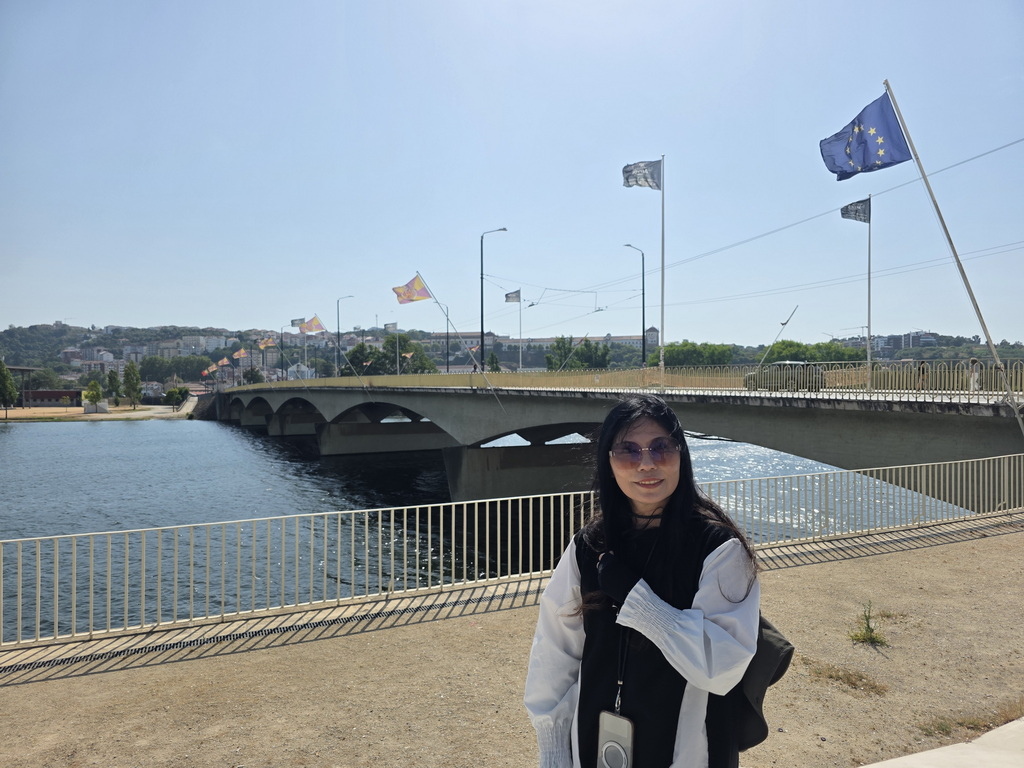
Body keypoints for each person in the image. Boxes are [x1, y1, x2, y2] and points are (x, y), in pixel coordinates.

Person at [524, 394, 760, 768]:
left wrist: (640, 604)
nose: (647, 463)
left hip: (689, 747)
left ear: (682, 454)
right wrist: (553, 751)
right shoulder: (589, 544)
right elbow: (556, 650)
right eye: (628, 451)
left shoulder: (719, 549)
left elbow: (722, 667)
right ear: (608, 462)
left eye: (661, 447)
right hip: (594, 738)